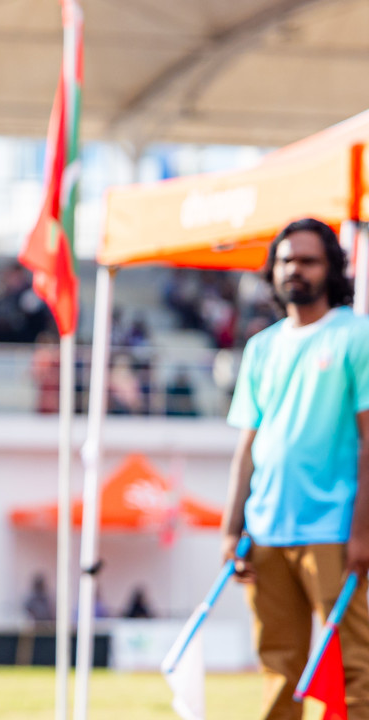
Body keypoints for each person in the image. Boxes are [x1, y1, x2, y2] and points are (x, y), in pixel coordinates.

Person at [222, 218, 369, 720]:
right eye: (286, 260)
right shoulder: (262, 346)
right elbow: (248, 445)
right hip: (264, 531)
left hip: (333, 529)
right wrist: (230, 528)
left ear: (332, 268)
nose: (295, 270)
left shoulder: (357, 335)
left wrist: (362, 533)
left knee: (351, 671)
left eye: (308, 260)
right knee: (277, 671)